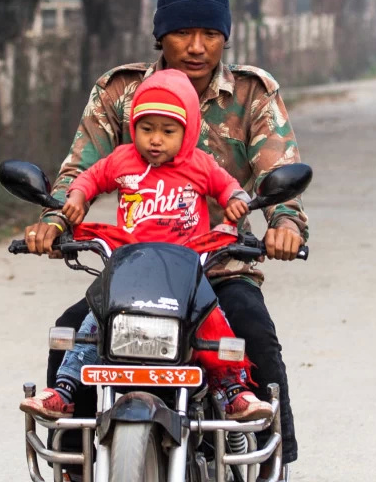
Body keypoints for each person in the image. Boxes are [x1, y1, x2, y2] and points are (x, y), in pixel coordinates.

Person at [21, 0, 307, 482]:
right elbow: (81, 172)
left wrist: (282, 224)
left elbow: (280, 176)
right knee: (72, 331)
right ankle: (71, 477)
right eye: (182, 33)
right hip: (135, 268)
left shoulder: (252, 93)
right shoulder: (121, 92)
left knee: (255, 333)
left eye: (210, 33)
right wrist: (54, 222)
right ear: (161, 36)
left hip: (215, 267)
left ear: (226, 37)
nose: (196, 46)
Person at [20, 69, 269, 423]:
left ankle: (234, 391)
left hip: (185, 269)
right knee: (92, 324)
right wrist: (76, 198)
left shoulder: (199, 164)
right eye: (146, 128)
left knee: (215, 322)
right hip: (130, 266)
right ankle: (64, 391)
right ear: (133, 126)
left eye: (168, 131)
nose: (155, 140)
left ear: (187, 132)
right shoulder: (123, 159)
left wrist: (236, 201)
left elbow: (228, 186)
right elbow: (90, 177)